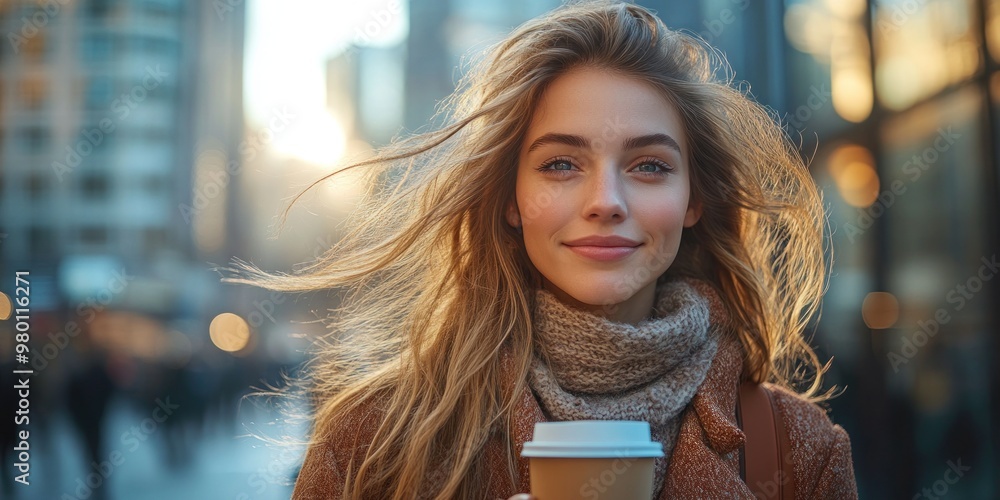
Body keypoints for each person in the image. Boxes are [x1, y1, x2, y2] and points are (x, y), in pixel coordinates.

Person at [228, 1, 858, 498]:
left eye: (648, 166)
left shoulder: (797, 449)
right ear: (510, 196)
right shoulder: (375, 439)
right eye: (560, 163)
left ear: (694, 199)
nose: (605, 199)